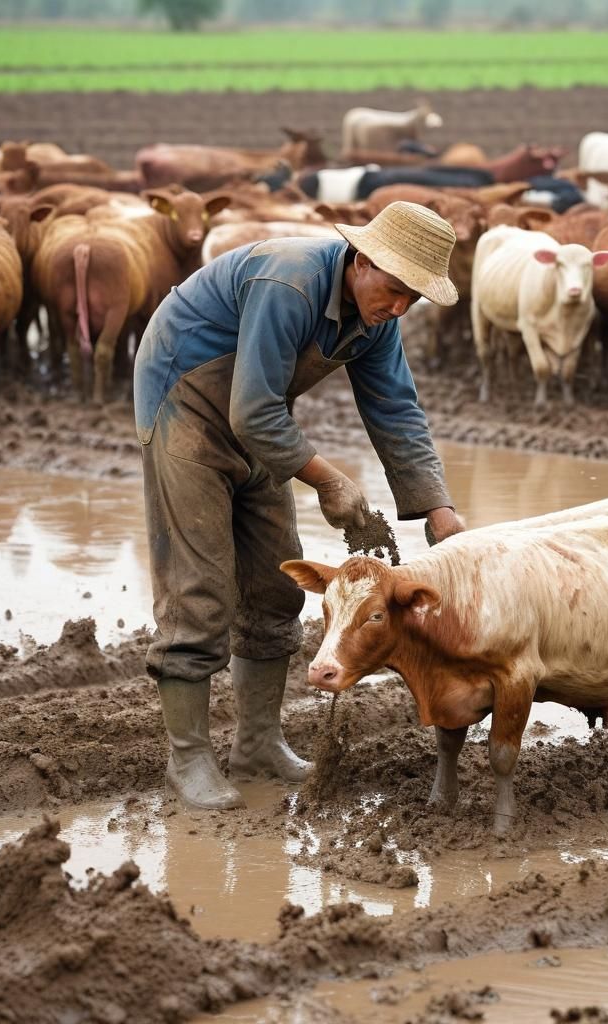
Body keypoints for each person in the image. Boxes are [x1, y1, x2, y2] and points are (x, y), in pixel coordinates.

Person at [133, 201, 466, 810]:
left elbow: (395, 410)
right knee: (199, 586)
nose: (398, 308)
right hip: (184, 400)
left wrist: (440, 512)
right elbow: (252, 410)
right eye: (393, 290)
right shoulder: (289, 281)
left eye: (412, 300)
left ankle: (257, 743)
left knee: (277, 584)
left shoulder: (377, 319)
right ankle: (188, 761)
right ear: (362, 260)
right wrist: (331, 481)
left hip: (255, 417)